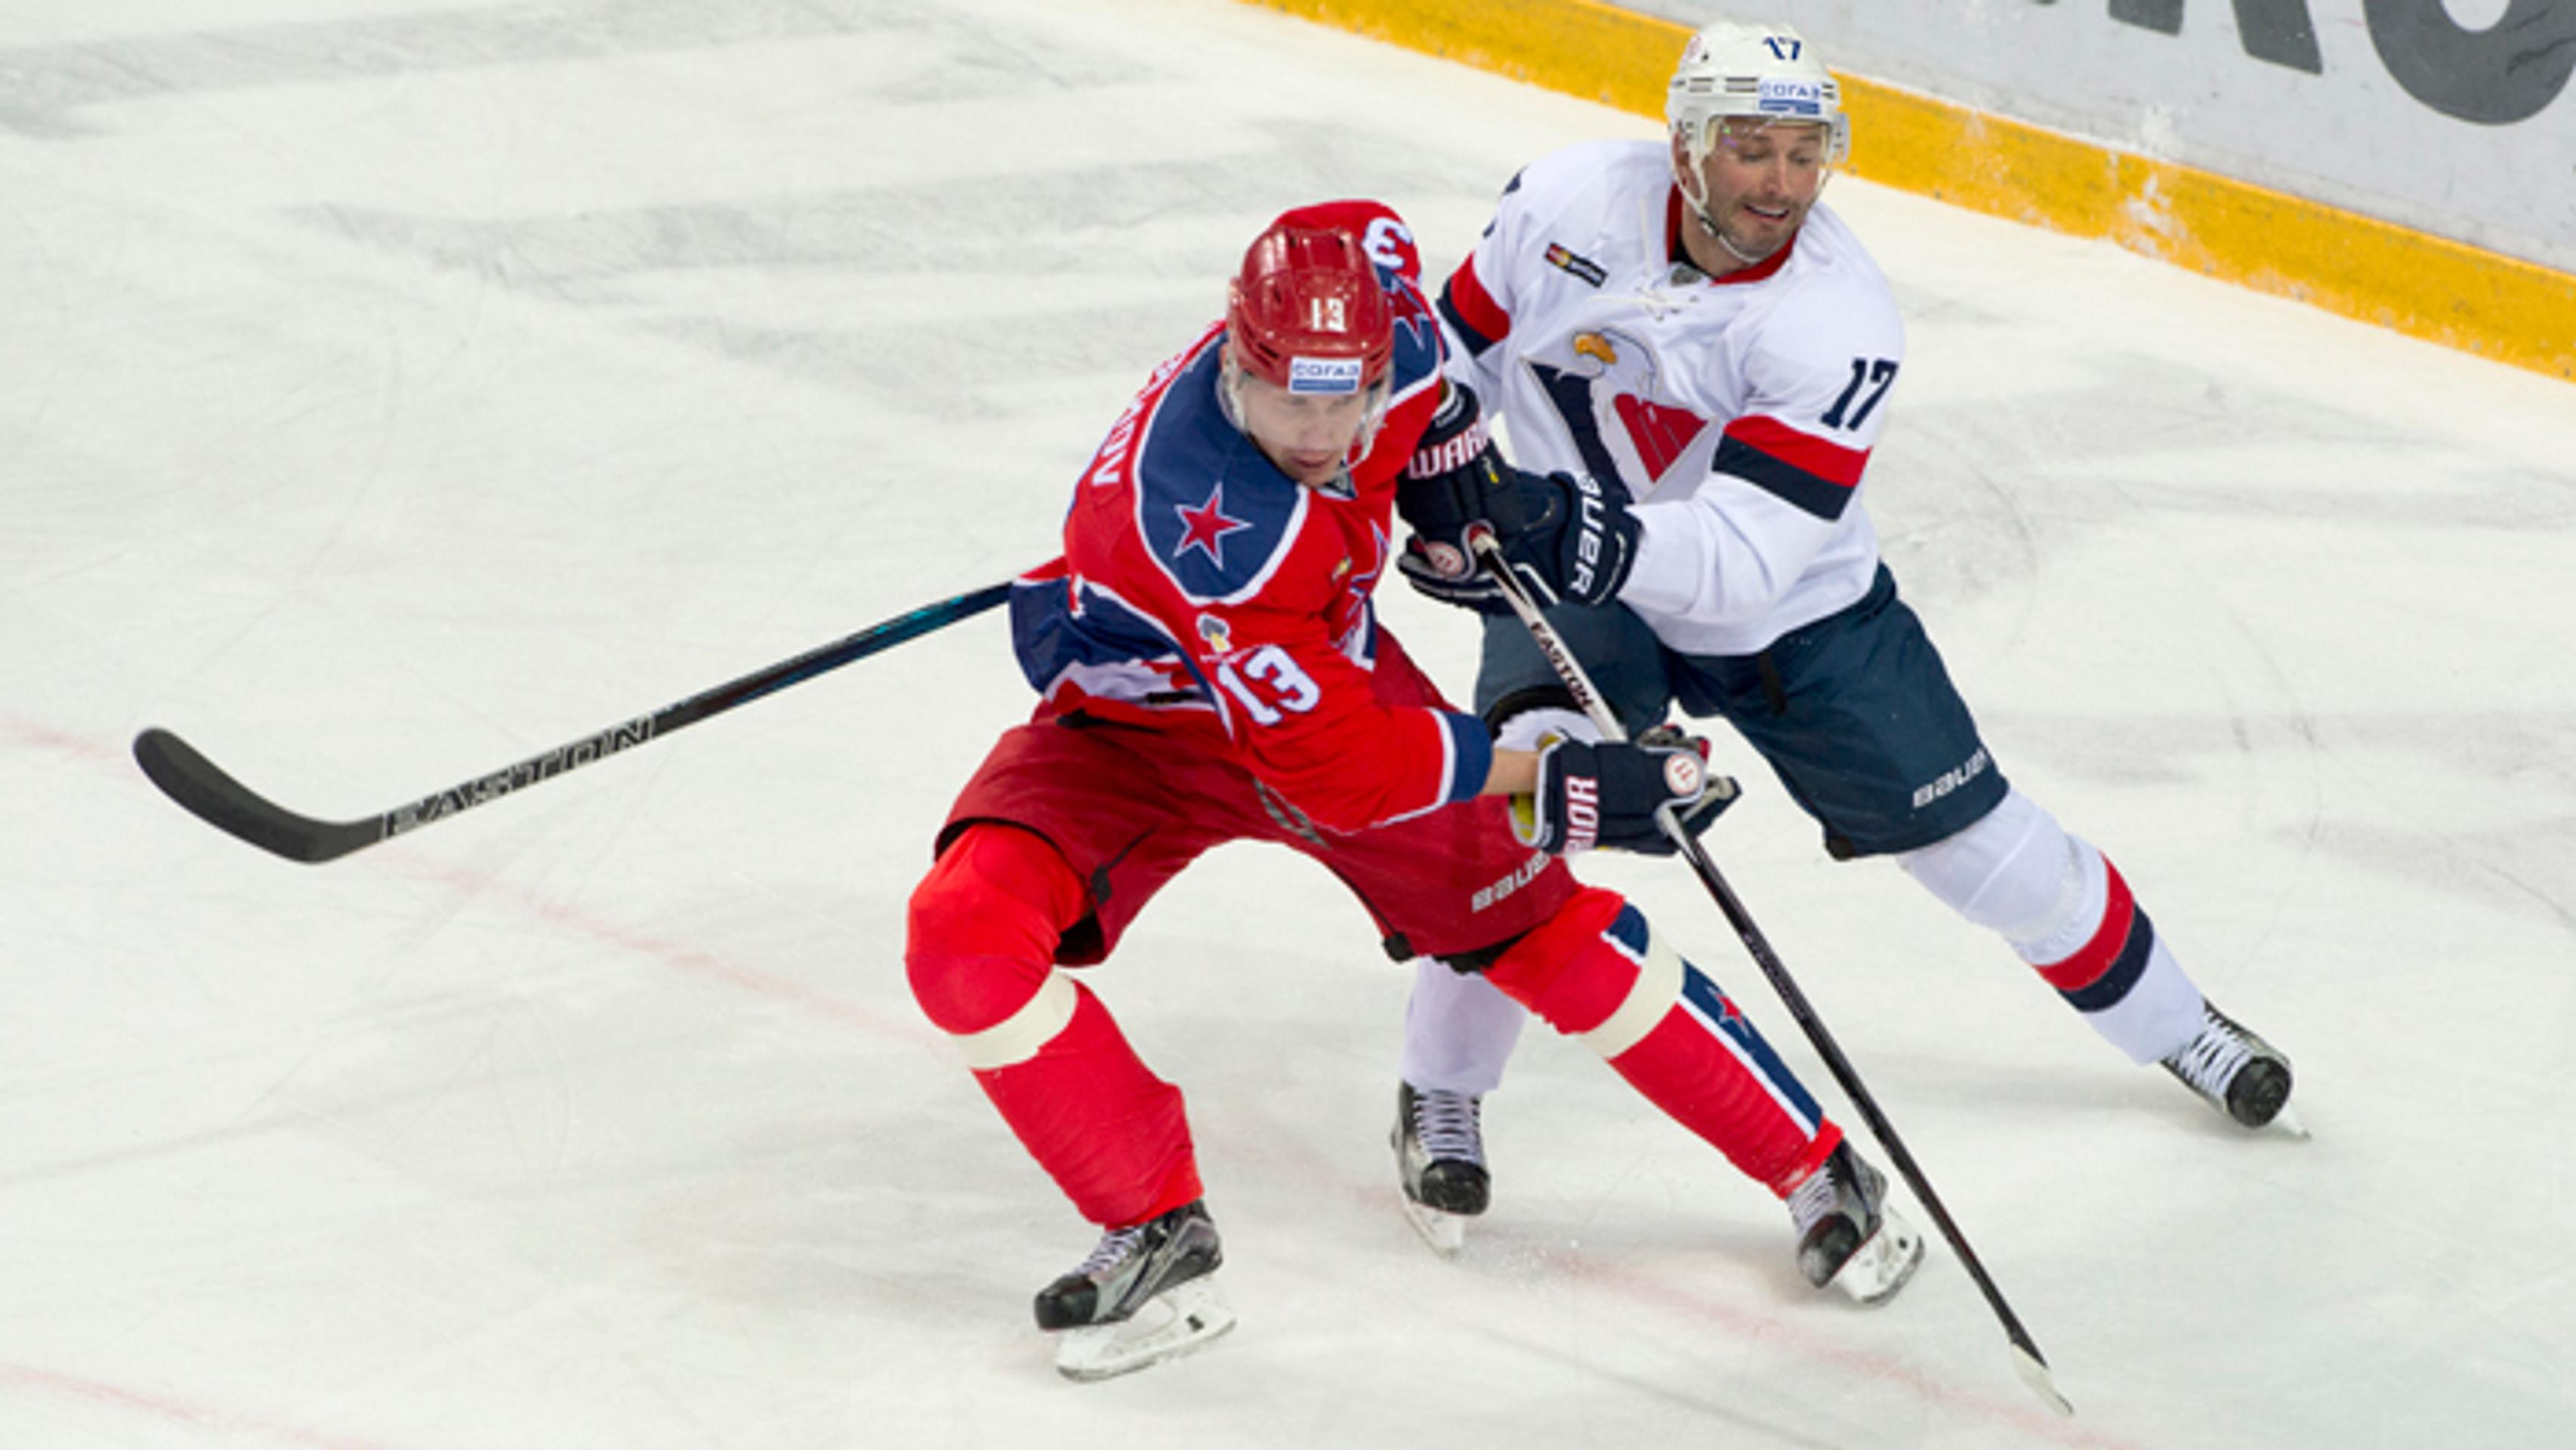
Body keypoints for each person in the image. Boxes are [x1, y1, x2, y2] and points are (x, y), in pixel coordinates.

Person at [903, 200, 1924, 1383]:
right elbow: (1345, 772)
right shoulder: (1211, 541)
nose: (1326, 431)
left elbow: (1375, 265)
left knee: (1536, 925)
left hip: (1313, 679)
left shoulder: (1378, 314)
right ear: (1235, 361)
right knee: (962, 941)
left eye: (1353, 398)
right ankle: (1154, 1223)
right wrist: (1558, 776)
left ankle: (1813, 1161)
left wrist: (1449, 464)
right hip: (1145, 727)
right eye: (1294, 399)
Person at [1386, 20, 2297, 1240]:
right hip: (1583, 593)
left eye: (1802, 152)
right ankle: (1441, 1094)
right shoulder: (1567, 201)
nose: (1778, 182)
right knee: (1525, 807)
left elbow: (1743, 559)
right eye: (1750, 148)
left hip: (1789, 606)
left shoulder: (1836, 320)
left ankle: (2181, 1026)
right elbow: (1456, 356)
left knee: (1977, 842)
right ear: (1686, 143)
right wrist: (1438, 477)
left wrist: (1546, 524)